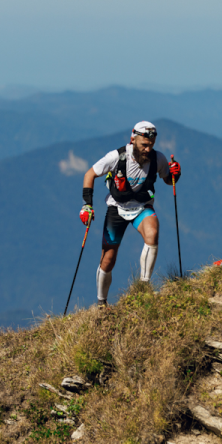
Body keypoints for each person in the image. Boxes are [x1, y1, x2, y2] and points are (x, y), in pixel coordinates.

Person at [80, 121, 181, 306]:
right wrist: (87, 205)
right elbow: (89, 174)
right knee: (108, 258)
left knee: (153, 233)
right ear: (132, 139)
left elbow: (168, 179)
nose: (147, 149)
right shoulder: (116, 157)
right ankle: (101, 304)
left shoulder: (158, 158)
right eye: (143, 144)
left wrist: (175, 174)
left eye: (151, 145)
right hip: (117, 208)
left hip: (143, 206)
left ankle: (143, 289)